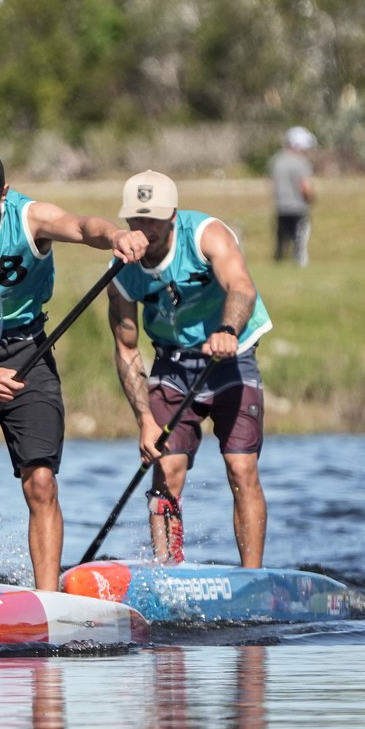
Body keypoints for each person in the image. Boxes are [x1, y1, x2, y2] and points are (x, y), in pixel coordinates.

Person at [0, 149, 147, 591]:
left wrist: (115, 234)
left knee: (41, 481)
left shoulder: (29, 218)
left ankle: (48, 598)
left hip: (27, 353)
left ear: (4, 193)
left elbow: (80, 226)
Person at [107, 170, 273, 567]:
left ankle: (252, 575)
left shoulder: (206, 235)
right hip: (174, 362)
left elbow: (241, 285)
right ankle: (168, 571)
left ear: (173, 217)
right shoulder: (122, 271)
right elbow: (127, 348)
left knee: (240, 466)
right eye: (136, 221)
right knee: (166, 468)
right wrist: (145, 419)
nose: (143, 231)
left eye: (153, 221)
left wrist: (227, 329)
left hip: (231, 354)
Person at [270, 127, 317, 266]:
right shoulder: (301, 162)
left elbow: (272, 184)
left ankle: (279, 262)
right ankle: (299, 264)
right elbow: (305, 186)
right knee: (299, 240)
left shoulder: (277, 160)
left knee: (281, 239)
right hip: (298, 207)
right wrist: (311, 198)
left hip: (281, 206)